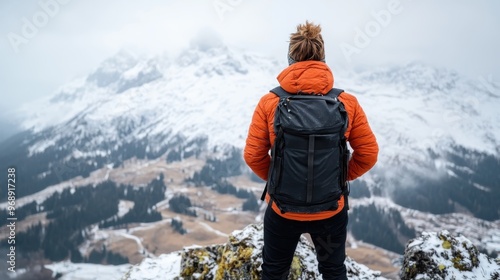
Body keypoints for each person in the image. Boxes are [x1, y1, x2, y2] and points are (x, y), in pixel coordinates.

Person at [244, 21, 379, 280]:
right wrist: (340, 177)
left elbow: (253, 155)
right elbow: (369, 153)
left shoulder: (270, 102)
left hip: (282, 208)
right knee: (332, 270)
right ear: (323, 59)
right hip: (330, 210)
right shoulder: (346, 102)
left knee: (274, 272)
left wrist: (279, 179)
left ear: (289, 60)